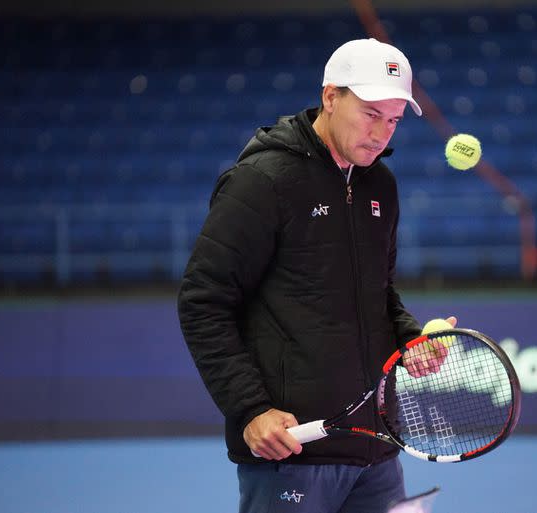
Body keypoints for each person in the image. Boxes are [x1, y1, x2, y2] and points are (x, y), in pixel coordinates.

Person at [178, 38, 455, 513]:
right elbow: (203, 301)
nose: (381, 133)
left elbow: (377, 295)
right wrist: (250, 411)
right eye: (370, 113)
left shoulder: (381, 185)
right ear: (331, 97)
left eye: (393, 120)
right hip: (293, 452)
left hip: (378, 451)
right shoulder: (262, 182)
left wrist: (410, 341)